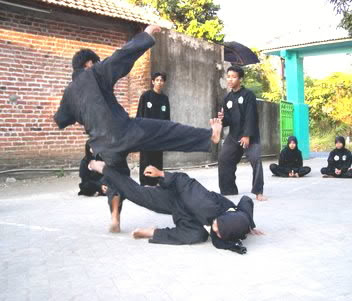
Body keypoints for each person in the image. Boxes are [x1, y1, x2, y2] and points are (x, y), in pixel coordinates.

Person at [54, 24, 222, 171]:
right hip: (125, 131)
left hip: (103, 147)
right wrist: (146, 35)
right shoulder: (95, 72)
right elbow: (120, 57)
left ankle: (114, 207)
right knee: (167, 131)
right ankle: (208, 136)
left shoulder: (68, 94)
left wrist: (78, 112)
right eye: (95, 63)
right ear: (88, 64)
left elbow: (61, 120)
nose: (97, 65)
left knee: (119, 180)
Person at [89, 160, 264, 254]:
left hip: (188, 216)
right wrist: (161, 174)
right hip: (177, 196)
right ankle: (104, 168)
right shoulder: (205, 204)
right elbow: (184, 182)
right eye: (216, 226)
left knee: (197, 235)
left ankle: (151, 232)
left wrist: (249, 225)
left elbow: (246, 202)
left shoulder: (235, 225)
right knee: (137, 194)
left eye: (218, 232)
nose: (215, 231)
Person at [217, 66, 265, 201]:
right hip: (233, 136)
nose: (230, 79)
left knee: (256, 160)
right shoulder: (227, 97)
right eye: (229, 76)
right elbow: (228, 121)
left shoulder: (248, 95)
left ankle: (258, 192)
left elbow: (251, 117)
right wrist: (222, 119)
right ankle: (228, 190)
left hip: (250, 135)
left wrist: (247, 135)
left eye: (233, 77)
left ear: (240, 79)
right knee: (224, 159)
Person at [136, 72, 170, 186]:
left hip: (159, 135)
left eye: (161, 80)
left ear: (164, 83)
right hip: (146, 134)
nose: (159, 82)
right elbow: (139, 116)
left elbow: (167, 118)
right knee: (146, 158)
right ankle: (145, 181)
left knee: (157, 158)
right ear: (153, 82)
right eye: (157, 80)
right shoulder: (145, 96)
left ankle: (157, 180)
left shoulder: (165, 99)